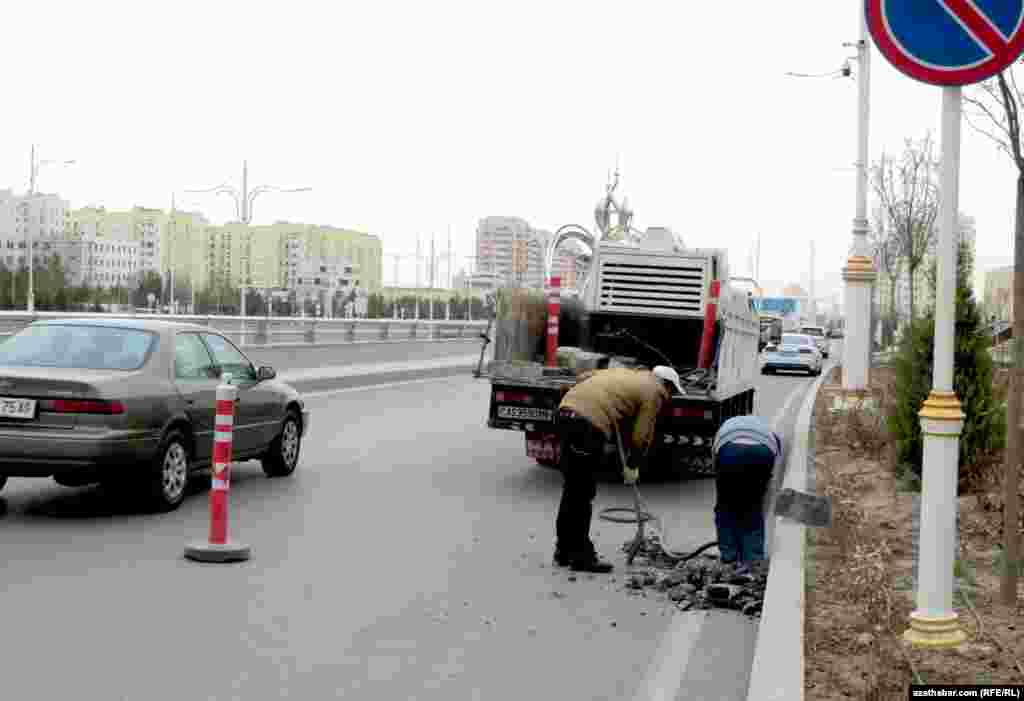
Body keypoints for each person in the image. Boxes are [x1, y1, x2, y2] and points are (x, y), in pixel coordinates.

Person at [553, 365, 686, 573]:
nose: (669, 397)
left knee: (572, 489)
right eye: (672, 392)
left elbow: (582, 376)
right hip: (587, 425)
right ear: (666, 385)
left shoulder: (622, 374)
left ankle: (563, 551)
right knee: (583, 493)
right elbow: (642, 435)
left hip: (564, 415)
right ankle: (581, 557)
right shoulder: (654, 391)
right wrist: (633, 465)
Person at [711, 414, 782, 569]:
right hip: (762, 451)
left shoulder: (725, 428)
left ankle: (729, 559)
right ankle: (753, 561)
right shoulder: (770, 432)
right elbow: (772, 482)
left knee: (725, 507)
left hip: (729, 449)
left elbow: (716, 465)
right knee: (752, 508)